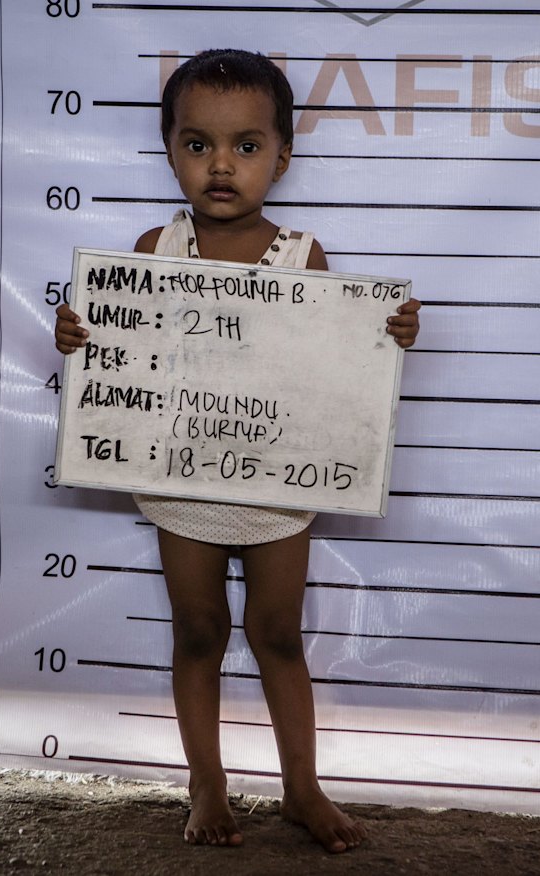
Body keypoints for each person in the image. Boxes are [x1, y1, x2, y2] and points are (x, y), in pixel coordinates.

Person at [55, 49, 421, 853]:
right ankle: (207, 785)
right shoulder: (155, 247)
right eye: (199, 144)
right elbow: (113, 348)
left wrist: (388, 334)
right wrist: (77, 335)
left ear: (282, 156)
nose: (222, 166)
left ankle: (302, 789)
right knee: (197, 630)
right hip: (181, 481)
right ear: (171, 149)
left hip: (278, 486)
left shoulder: (303, 255)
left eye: (246, 146)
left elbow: (336, 368)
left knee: (279, 634)